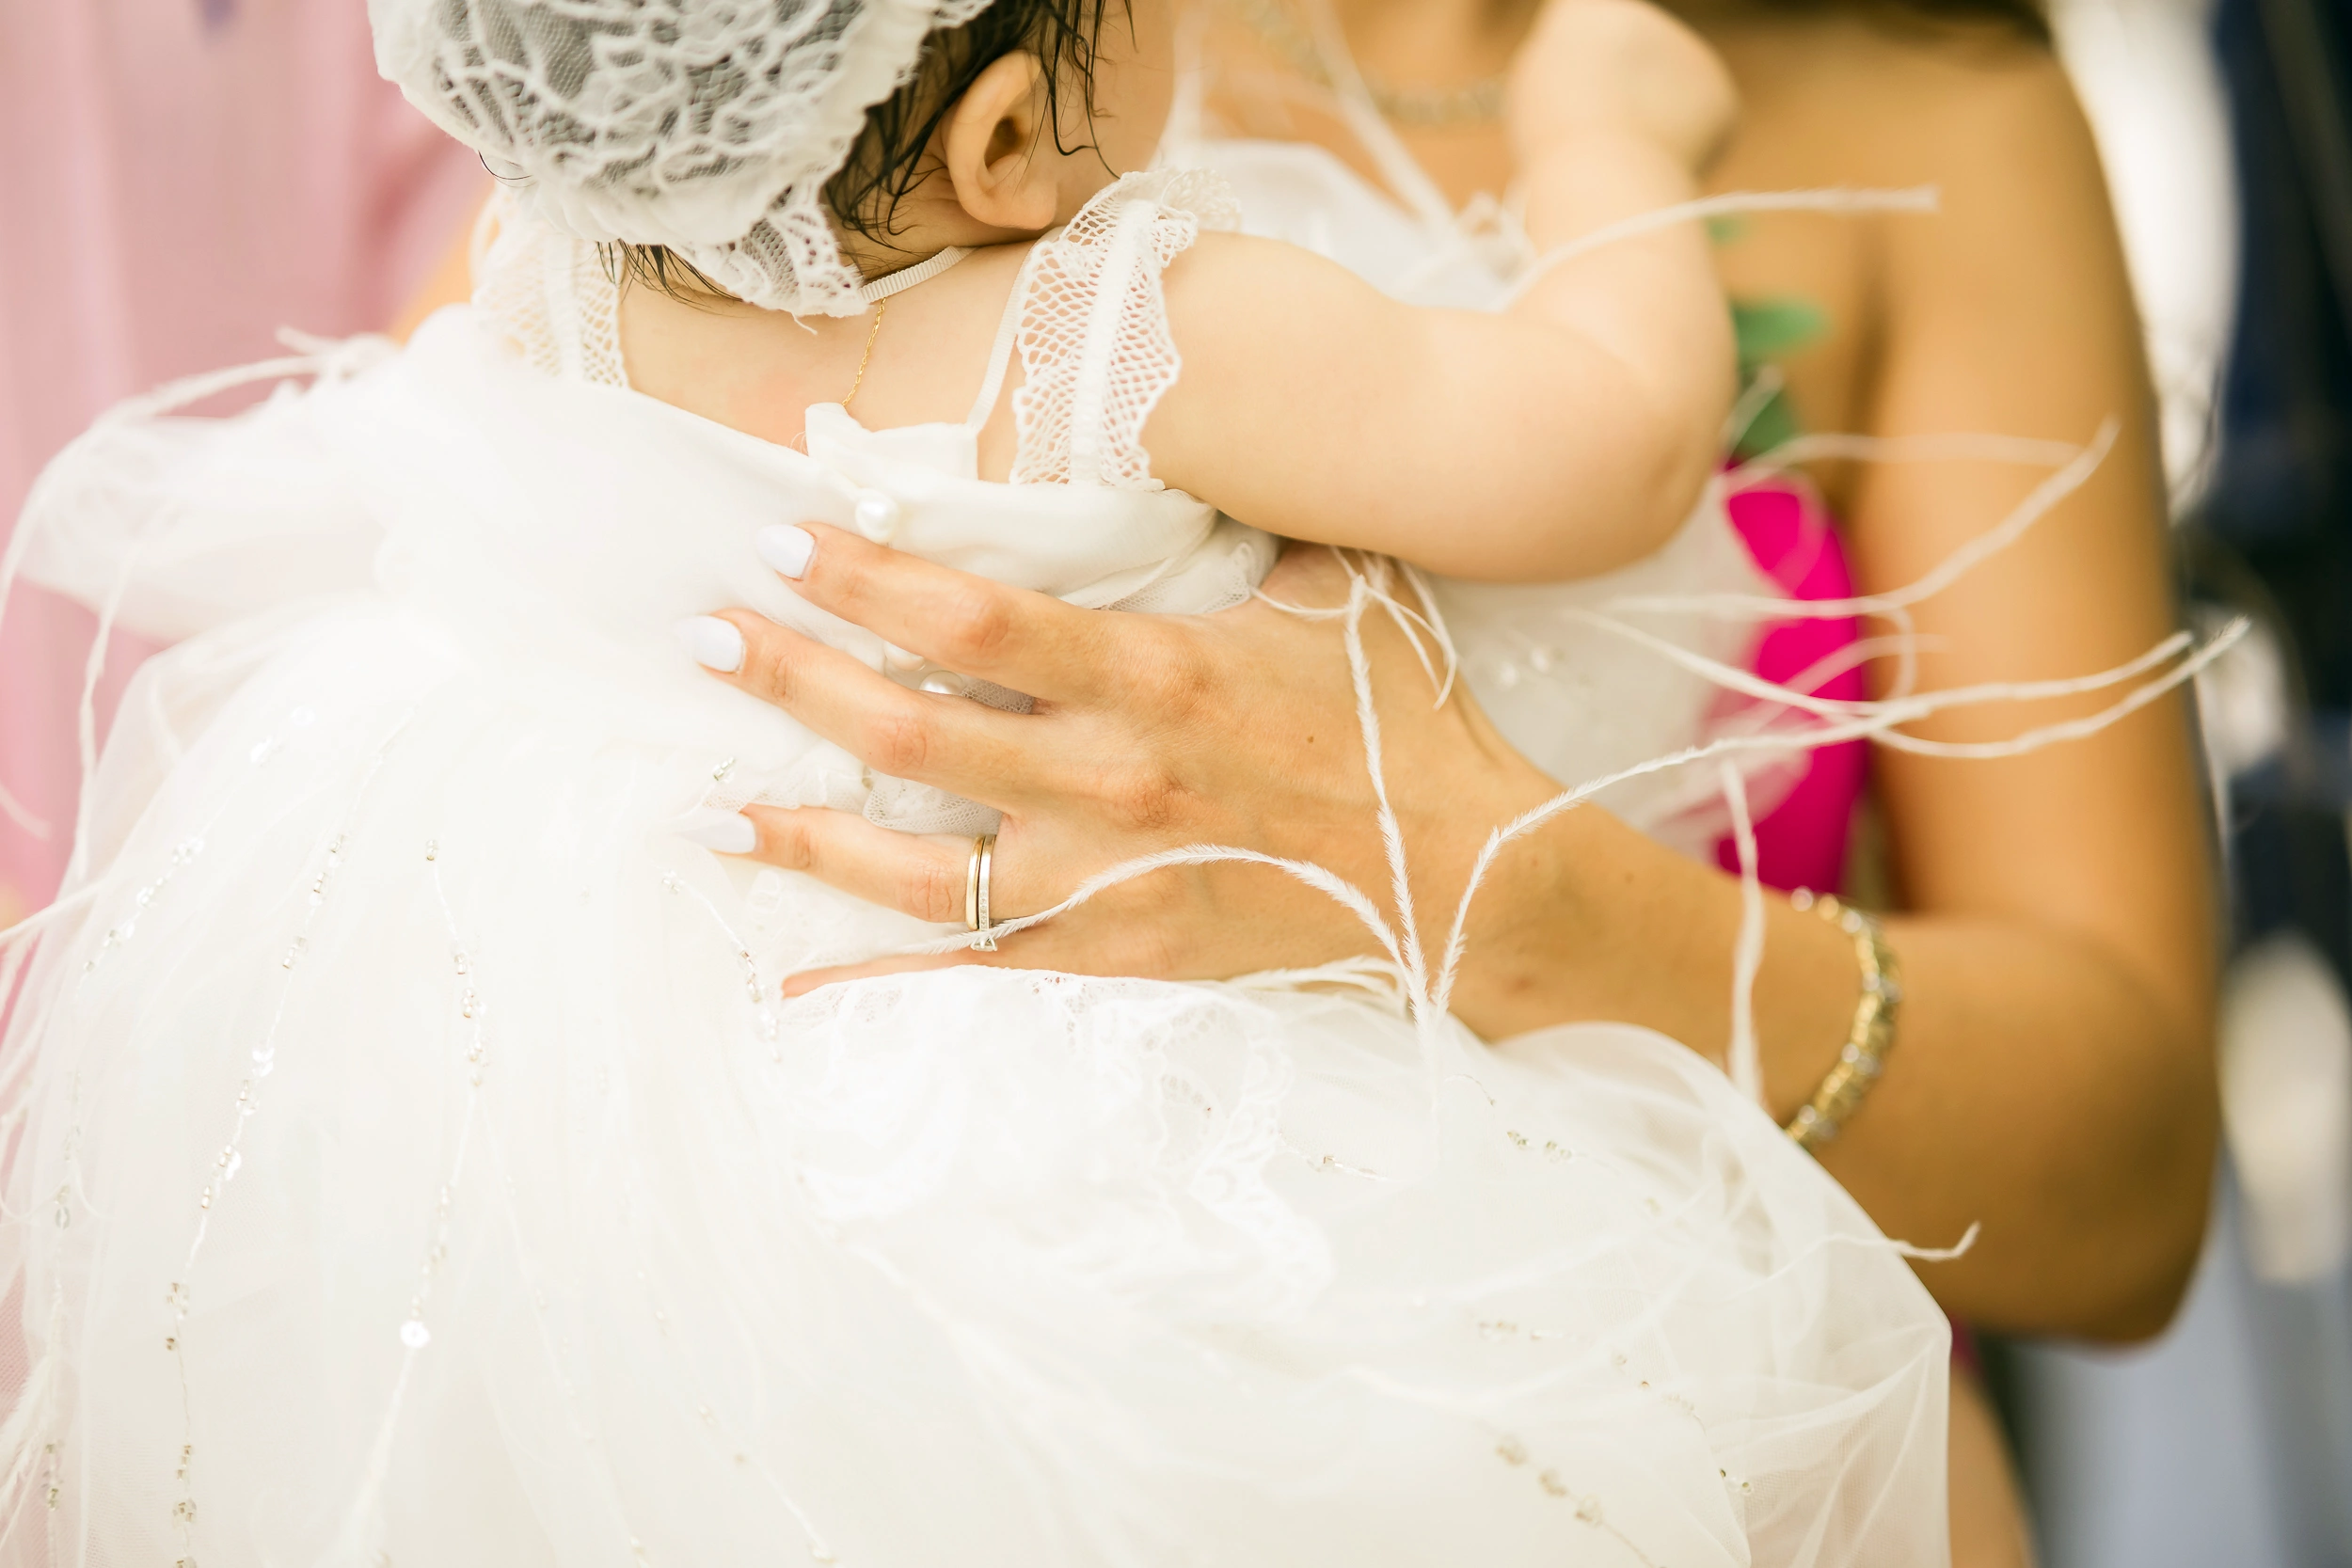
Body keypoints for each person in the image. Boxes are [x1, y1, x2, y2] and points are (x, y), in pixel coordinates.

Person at [0, 0, 1968, 1559]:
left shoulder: (538, 276)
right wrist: (1601, 141)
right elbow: (1601, 446)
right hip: (1067, 1113)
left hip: (601, 1118)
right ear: (1010, 139)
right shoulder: (1128, 319)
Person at [664, 1, 2213, 1563]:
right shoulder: (843, 59)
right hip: (975, 1441)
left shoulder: (1918, 108)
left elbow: (2131, 1191)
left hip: (1676, 1457)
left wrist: (1498, 885)